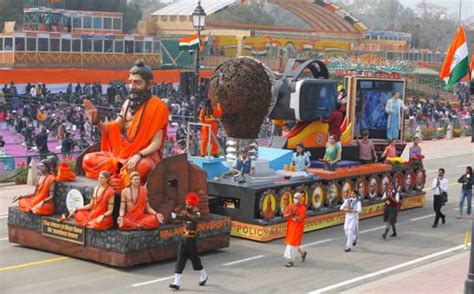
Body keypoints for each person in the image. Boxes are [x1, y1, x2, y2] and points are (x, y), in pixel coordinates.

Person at [82, 60, 169, 184]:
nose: (132, 86)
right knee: (88, 159)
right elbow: (113, 129)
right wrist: (97, 122)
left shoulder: (158, 107)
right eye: (130, 82)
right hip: (123, 154)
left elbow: (157, 143)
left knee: (141, 168)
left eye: (137, 83)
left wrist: (138, 154)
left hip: (145, 155)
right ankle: (120, 170)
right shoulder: (127, 103)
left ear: (149, 84)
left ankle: (118, 172)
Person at [169, 193, 208, 290]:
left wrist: (177, 216)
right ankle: (176, 282)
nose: (187, 206)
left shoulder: (196, 213)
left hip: (192, 239)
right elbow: (183, 217)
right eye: (186, 204)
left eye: (189, 205)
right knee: (180, 258)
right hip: (184, 238)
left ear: (193, 205)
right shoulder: (185, 212)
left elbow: (191, 219)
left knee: (195, 259)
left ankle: (204, 274)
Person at [283, 192, 307, 267]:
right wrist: (290, 214)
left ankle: (291, 261)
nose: (295, 199)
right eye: (294, 197)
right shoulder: (290, 206)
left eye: (296, 198)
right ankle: (303, 254)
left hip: (298, 229)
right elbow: (285, 215)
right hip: (290, 228)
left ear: (300, 199)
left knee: (292, 245)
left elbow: (300, 219)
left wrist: (294, 215)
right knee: (292, 243)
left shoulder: (302, 208)